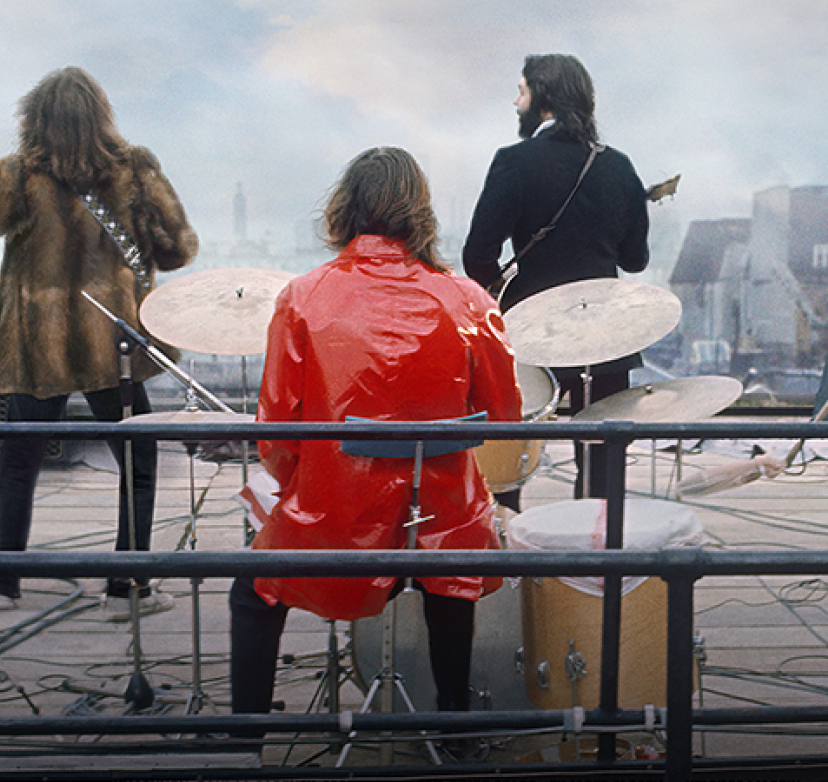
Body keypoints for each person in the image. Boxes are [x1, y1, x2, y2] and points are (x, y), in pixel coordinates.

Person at [230, 147, 521, 759]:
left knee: (250, 586)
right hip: (444, 523)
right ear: (421, 213)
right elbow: (505, 417)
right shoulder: (469, 301)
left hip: (337, 526)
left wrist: (304, 491)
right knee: (449, 566)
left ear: (345, 208)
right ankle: (455, 724)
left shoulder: (302, 297)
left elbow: (276, 434)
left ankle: (244, 738)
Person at [0, 66, 197, 618]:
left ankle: (3, 587)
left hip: (39, 346)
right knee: (138, 457)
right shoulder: (136, 170)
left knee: (20, 459)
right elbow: (176, 250)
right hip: (110, 346)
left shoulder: (18, 175)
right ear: (101, 117)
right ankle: (127, 591)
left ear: (36, 120)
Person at [463, 53, 650, 505]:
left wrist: (508, 287)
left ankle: (509, 554)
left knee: (510, 456)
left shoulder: (514, 162)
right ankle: (598, 563)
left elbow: (477, 256)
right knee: (603, 466)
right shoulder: (619, 166)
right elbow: (636, 259)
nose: (515, 101)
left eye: (522, 90)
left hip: (532, 328)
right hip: (604, 333)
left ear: (542, 98)